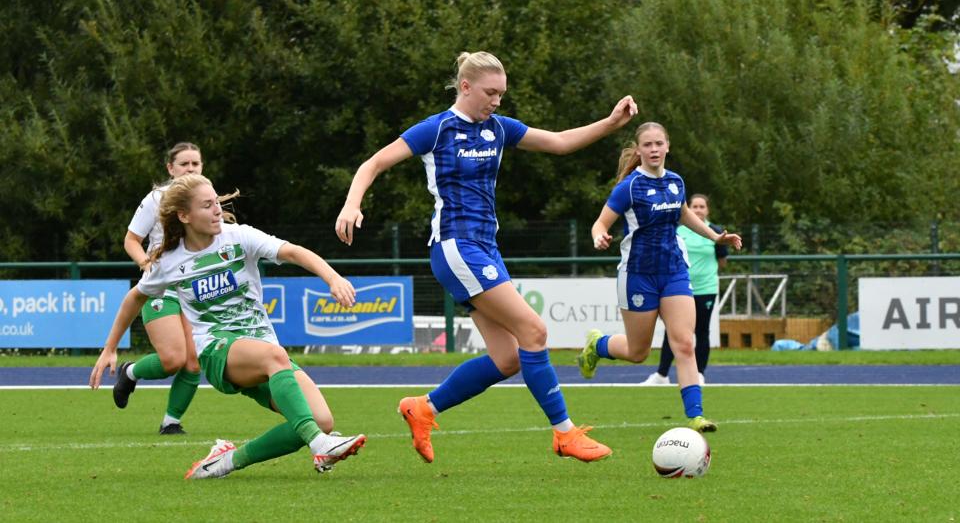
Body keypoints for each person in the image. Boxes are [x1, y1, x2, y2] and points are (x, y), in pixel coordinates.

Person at [335, 51, 637, 463]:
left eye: (501, 94)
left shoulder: (499, 128)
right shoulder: (437, 129)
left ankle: (423, 408)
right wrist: (352, 204)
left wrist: (611, 123)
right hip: (456, 247)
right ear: (465, 87)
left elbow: (560, 143)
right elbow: (373, 163)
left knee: (508, 358)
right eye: (490, 93)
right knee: (534, 330)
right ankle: (565, 434)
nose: (496, 101)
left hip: (484, 249)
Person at [91, 174, 366, 478]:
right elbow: (135, 297)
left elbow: (292, 251)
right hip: (216, 350)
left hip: (261, 348)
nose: (217, 211)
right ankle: (320, 445)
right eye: (206, 205)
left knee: (322, 420)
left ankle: (226, 461)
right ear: (184, 216)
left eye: (216, 202)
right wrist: (110, 348)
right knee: (277, 360)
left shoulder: (238, 237)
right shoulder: (170, 261)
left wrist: (333, 278)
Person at [576, 122, 741, 433]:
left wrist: (715, 236)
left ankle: (696, 415)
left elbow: (683, 213)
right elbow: (600, 223)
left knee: (685, 343)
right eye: (647, 145)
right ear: (639, 150)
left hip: (674, 272)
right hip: (638, 275)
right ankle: (598, 345)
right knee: (638, 352)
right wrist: (599, 237)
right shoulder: (629, 187)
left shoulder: (676, 182)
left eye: (659, 143)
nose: (654, 149)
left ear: (668, 146)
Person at [115, 142, 204, 435]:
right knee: (173, 359)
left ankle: (171, 422)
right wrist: (145, 263)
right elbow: (131, 240)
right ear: (170, 168)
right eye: (184, 164)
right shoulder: (157, 198)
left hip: (193, 288)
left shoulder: (206, 198)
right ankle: (130, 371)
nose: (190, 169)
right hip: (162, 286)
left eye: (195, 164)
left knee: (193, 362)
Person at [642, 193, 728, 386]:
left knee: (702, 331)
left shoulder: (716, 232)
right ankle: (662, 375)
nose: (698, 210)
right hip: (679, 289)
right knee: (673, 331)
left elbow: (722, 261)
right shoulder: (677, 230)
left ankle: (699, 374)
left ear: (708, 210)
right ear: (688, 208)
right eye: (694, 206)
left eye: (702, 207)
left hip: (706, 289)